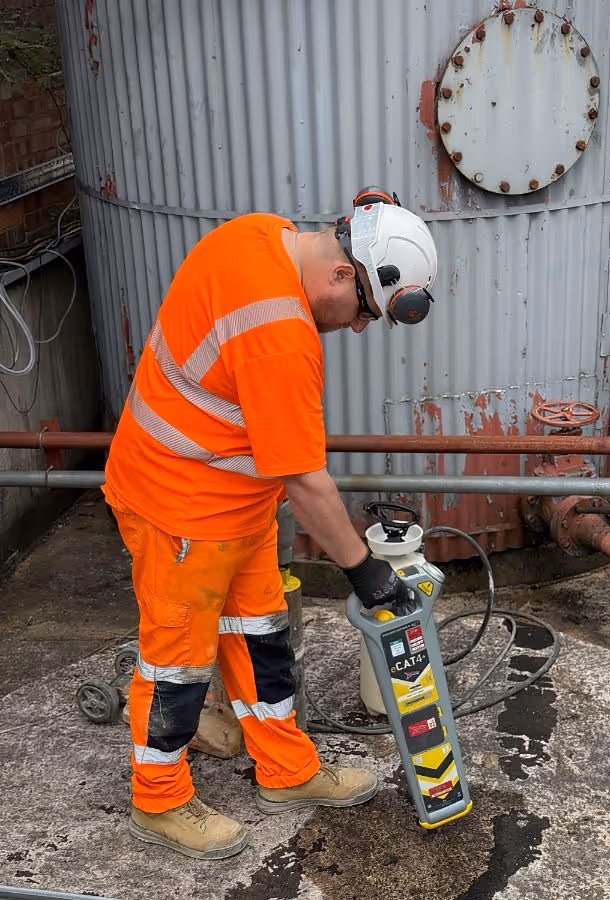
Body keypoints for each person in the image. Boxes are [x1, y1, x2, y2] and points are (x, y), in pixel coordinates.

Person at [103, 187, 438, 860]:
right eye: (364, 310)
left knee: (260, 639)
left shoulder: (261, 234)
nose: (359, 326)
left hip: (237, 502)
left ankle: (286, 771)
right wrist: (368, 573)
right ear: (344, 272)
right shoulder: (279, 333)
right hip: (179, 507)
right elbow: (308, 484)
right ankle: (159, 798)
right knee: (177, 662)